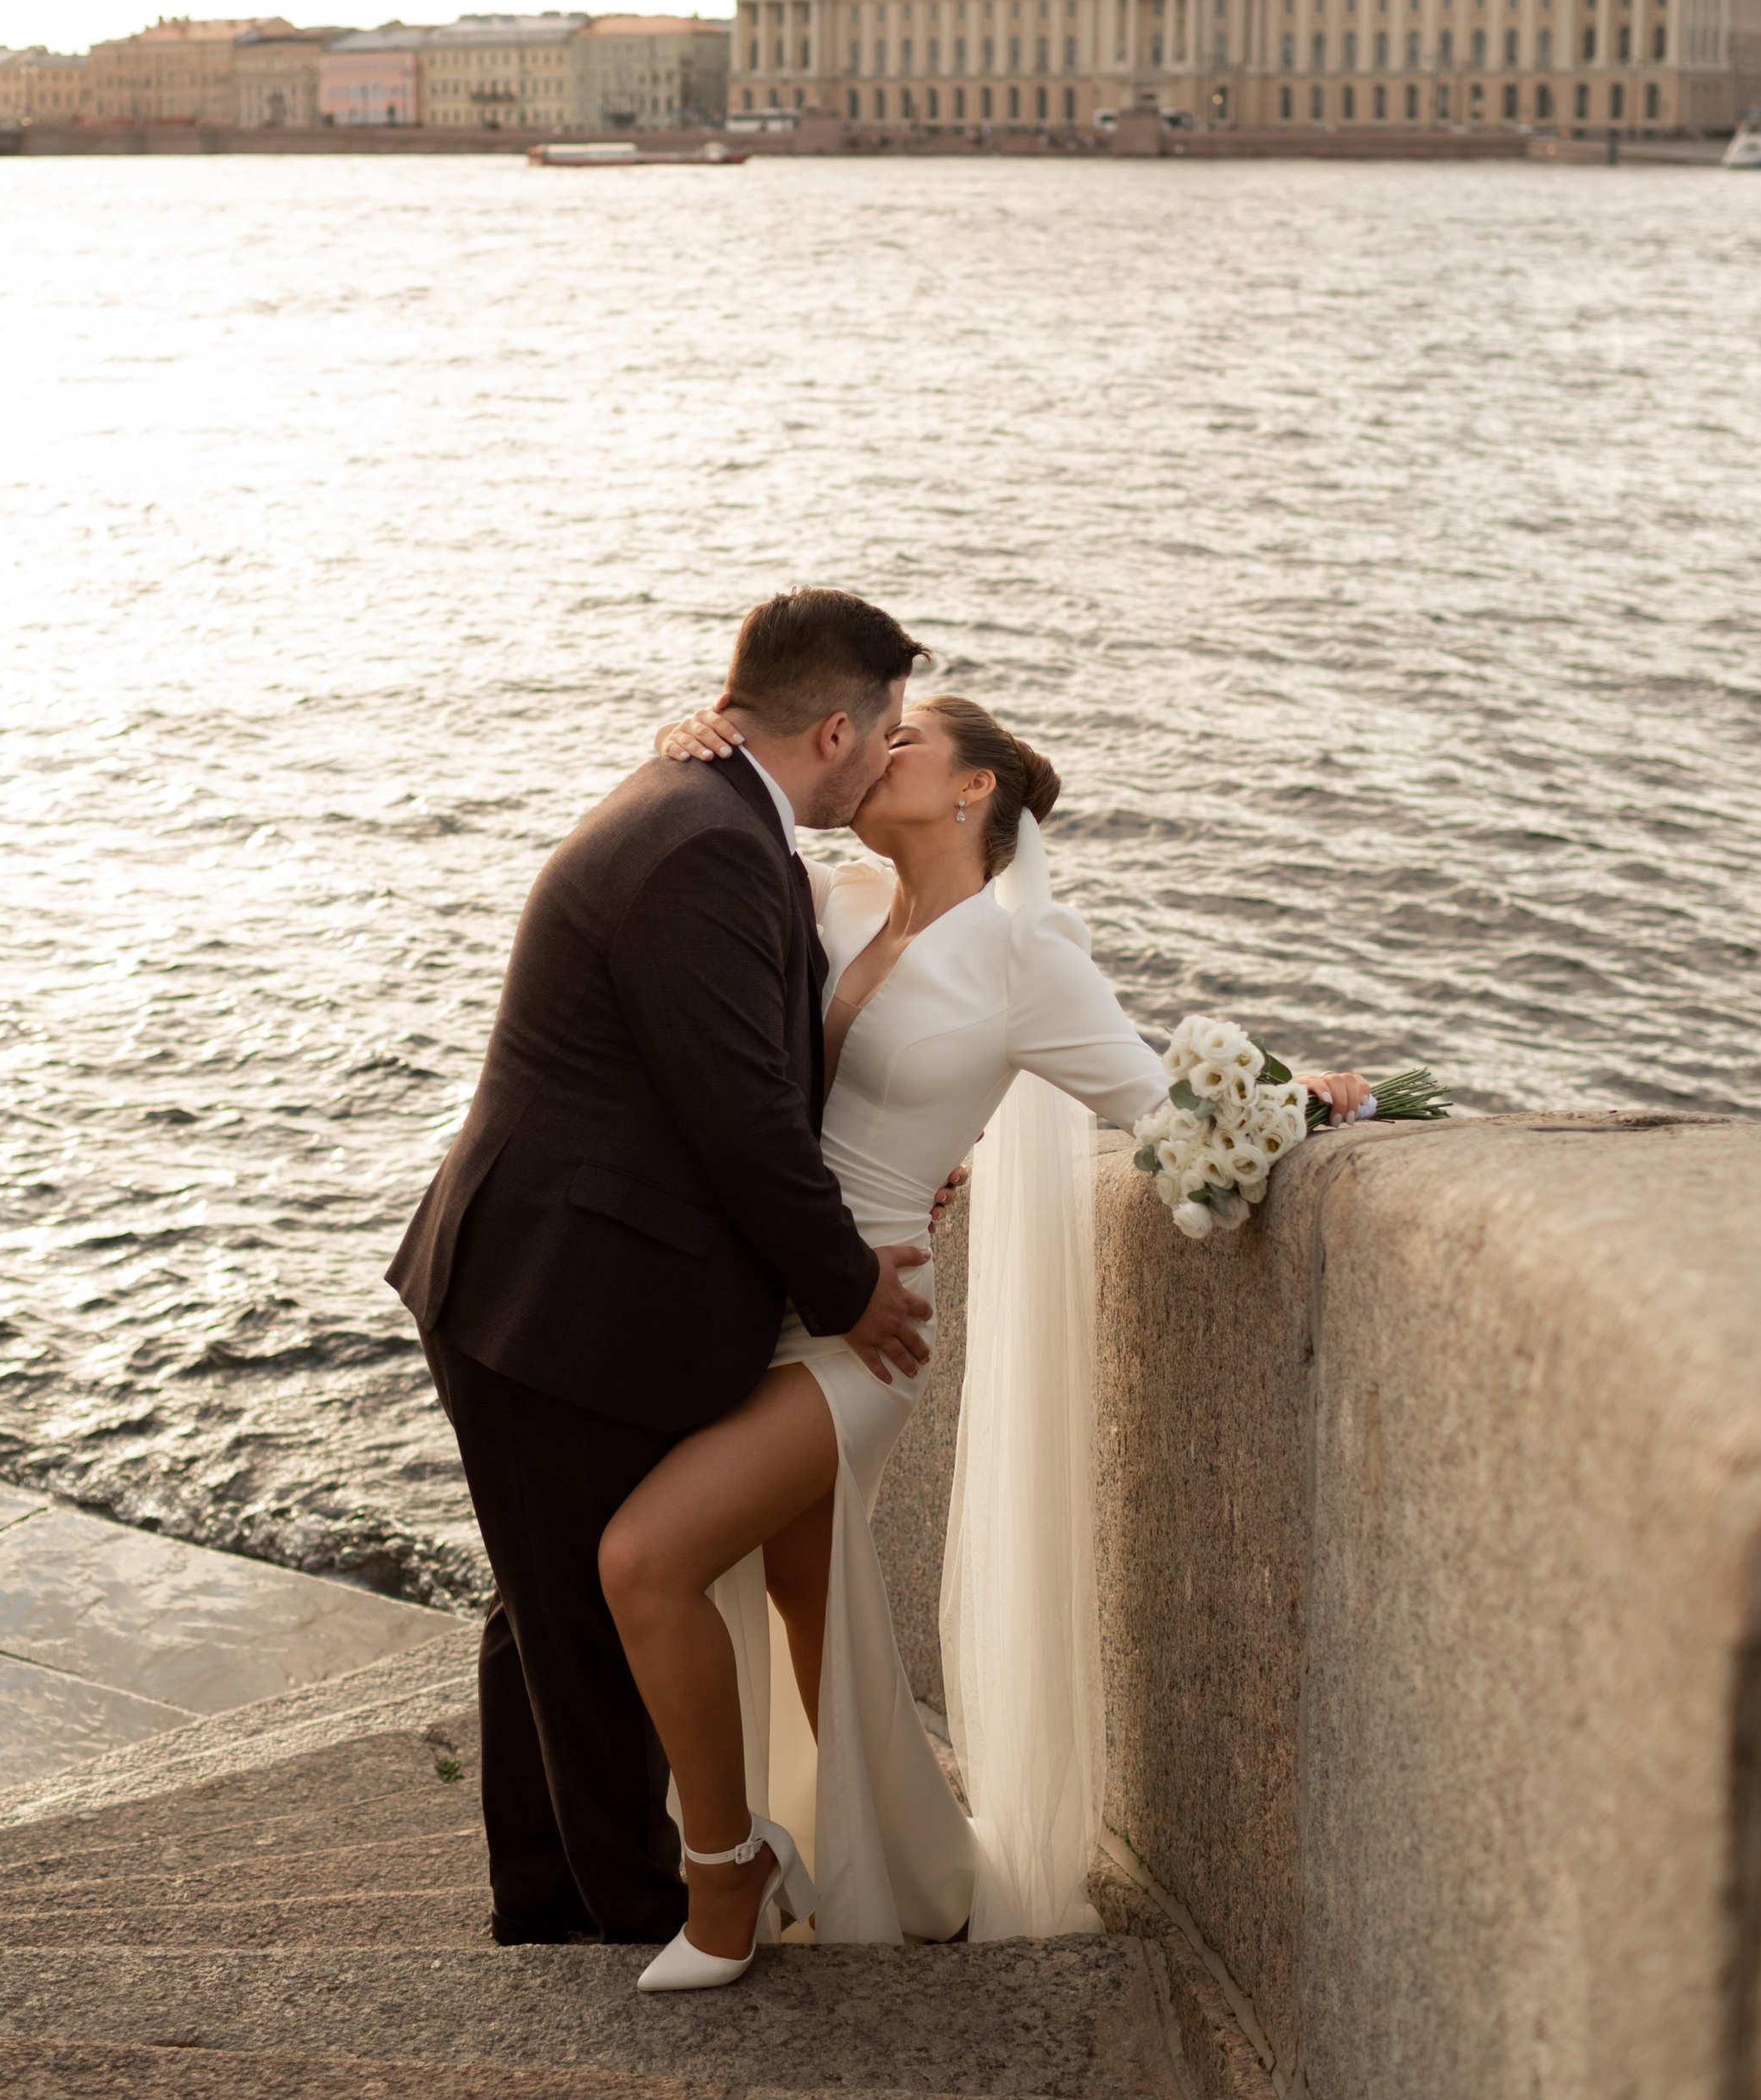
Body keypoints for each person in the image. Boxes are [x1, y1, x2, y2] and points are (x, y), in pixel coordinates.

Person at [598, 688, 1369, 1985]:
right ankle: (910, 1871)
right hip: (760, 1299)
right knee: (809, 1612)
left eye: (906, 742)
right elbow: (716, 848)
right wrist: (687, 733)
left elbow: (1160, 1116)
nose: (874, 750)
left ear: (973, 793)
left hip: (865, 1336)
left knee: (647, 1560)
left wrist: (1306, 1101)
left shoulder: (1026, 961)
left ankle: (726, 1882)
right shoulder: (835, 900)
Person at [387, 588, 941, 1949]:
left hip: (538, 1275)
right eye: (880, 737)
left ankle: (550, 1904)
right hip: (558, 1296)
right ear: (831, 727)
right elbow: (738, 1114)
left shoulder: (703, 806)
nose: (885, 761)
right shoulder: (705, 840)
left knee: (547, 1612)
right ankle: (635, 1913)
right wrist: (845, 1285)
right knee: (579, 1629)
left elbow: (747, 1077)